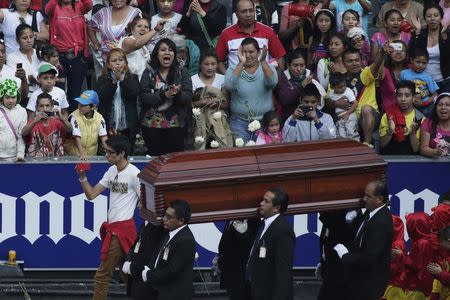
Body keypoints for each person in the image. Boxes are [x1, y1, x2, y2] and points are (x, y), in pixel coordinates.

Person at [76, 135, 140, 300]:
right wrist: (82, 177)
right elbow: (92, 194)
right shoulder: (111, 170)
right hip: (115, 229)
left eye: (110, 153)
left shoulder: (135, 174)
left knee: (102, 276)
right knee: (127, 274)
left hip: (122, 231)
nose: (106, 156)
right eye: (106, 152)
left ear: (122, 154)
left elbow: (145, 202)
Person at [333, 179, 393, 300]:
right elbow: (358, 238)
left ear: (380, 199)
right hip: (360, 279)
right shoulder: (370, 214)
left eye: (368, 196)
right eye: (364, 194)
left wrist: (346, 256)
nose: (364, 199)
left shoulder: (381, 222)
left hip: (370, 283)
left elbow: (370, 256)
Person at [139, 38, 193, 156]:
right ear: (156, 54)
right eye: (163, 50)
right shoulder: (148, 72)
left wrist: (177, 94)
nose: (167, 53)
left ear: (174, 54)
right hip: (151, 126)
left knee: (173, 162)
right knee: (154, 161)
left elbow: (188, 96)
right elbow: (144, 97)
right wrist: (164, 95)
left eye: (170, 50)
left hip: (176, 125)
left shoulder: (182, 72)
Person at [244, 188, 296, 299]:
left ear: (276, 208)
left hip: (269, 294)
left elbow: (283, 271)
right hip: (257, 291)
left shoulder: (283, 231)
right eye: (262, 200)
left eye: (266, 201)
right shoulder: (264, 224)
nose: (261, 203)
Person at [224, 38, 278, 143]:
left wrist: (263, 61)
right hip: (239, 123)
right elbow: (229, 86)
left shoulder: (268, 67)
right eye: (244, 52)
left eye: (251, 52)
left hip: (265, 123)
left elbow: (273, 83)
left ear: (258, 52)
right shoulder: (232, 69)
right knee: (242, 156)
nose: (247, 55)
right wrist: (241, 63)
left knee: (264, 155)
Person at [141, 199, 196, 300]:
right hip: (163, 291)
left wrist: (149, 275)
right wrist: (149, 268)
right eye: (165, 215)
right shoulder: (170, 233)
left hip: (176, 294)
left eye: (169, 217)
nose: (164, 219)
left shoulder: (186, 240)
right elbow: (158, 254)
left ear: (181, 221)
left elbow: (172, 271)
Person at [45, 0, 92, 111]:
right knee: (57, 92)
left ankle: (72, 122)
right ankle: (57, 122)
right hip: (59, 58)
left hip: (78, 56)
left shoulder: (80, 5)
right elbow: (47, 10)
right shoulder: (54, 6)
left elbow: (89, 5)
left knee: (75, 93)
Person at [216, 0, 286, 74]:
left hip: (264, 83)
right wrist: (228, 77)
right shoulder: (226, 34)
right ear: (237, 14)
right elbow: (218, 60)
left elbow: (280, 57)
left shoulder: (268, 32)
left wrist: (276, 79)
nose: (248, 15)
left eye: (251, 10)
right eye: (244, 12)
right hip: (236, 83)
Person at [342, 45, 387, 149]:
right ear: (343, 63)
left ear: (361, 61)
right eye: (350, 61)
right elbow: (329, 98)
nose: (354, 63)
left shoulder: (364, 73)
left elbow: (376, 66)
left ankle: (367, 144)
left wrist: (382, 54)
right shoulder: (339, 79)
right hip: (348, 118)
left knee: (366, 109)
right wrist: (336, 103)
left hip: (369, 117)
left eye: (357, 60)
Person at [96, 48, 139, 152]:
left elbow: (134, 93)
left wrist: (122, 81)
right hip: (108, 128)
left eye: (121, 60)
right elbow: (101, 97)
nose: (118, 63)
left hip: (127, 128)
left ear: (125, 62)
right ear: (109, 65)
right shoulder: (102, 79)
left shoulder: (133, 77)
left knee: (126, 156)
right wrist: (114, 82)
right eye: (114, 61)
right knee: (110, 155)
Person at [191, 49, 232, 149]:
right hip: (199, 123)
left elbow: (227, 104)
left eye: (213, 64)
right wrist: (203, 102)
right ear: (200, 64)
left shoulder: (222, 79)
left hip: (219, 122)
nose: (210, 67)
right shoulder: (193, 80)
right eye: (206, 64)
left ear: (217, 65)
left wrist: (217, 103)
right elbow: (190, 103)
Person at [275, 49, 325, 123]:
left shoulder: (310, 75)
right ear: (288, 65)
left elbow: (318, 97)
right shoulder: (284, 77)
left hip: (310, 117)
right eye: (295, 65)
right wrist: (301, 86)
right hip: (290, 117)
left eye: (302, 65)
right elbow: (285, 100)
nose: (299, 69)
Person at [317, 209, 358, 300]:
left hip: (340, 276)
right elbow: (325, 242)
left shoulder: (342, 222)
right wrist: (322, 262)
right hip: (329, 272)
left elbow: (335, 238)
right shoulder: (328, 223)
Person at [217, 218, 262, 300]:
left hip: (242, 279)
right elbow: (227, 243)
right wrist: (220, 259)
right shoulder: (231, 217)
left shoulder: (253, 220)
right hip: (231, 277)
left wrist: (244, 233)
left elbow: (254, 247)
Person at [409, 4, 450, 91]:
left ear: (441, 18)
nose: (432, 19)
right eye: (428, 16)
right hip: (422, 80)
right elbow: (412, 54)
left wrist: (444, 39)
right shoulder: (419, 33)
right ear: (425, 19)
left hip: (445, 81)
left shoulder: (447, 34)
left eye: (436, 15)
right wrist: (417, 32)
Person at [87, 0, 141, 64]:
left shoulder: (135, 13)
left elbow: (141, 36)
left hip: (129, 61)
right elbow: (89, 26)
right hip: (107, 61)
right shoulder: (103, 12)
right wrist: (96, 43)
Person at [122, 222, 164, 300]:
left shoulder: (157, 227)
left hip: (145, 281)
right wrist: (128, 260)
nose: (139, 209)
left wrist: (132, 267)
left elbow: (149, 255)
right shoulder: (144, 224)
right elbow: (135, 246)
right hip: (136, 278)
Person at [379, 80, 423, 154]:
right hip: (390, 159)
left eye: (407, 95)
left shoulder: (420, 118)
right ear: (396, 97)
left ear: (414, 98)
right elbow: (382, 145)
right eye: (399, 95)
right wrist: (390, 131)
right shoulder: (388, 115)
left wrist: (412, 134)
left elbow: (416, 149)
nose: (403, 99)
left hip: (411, 161)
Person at [22, 92, 72, 157]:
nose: (44, 108)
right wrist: (35, 121)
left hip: (56, 160)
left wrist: (62, 119)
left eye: (47, 105)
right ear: (36, 108)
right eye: (41, 106)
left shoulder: (58, 121)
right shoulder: (33, 122)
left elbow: (70, 130)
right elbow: (24, 133)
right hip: (36, 161)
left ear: (52, 107)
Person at [64, 90, 108, 159]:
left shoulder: (100, 118)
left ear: (93, 106)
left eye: (83, 105)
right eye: (79, 103)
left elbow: (103, 137)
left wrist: (108, 152)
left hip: (92, 155)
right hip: (74, 156)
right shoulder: (74, 116)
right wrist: (82, 154)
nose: (79, 107)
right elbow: (77, 137)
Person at [403, 212, 436, 299]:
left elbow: (417, 266)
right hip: (417, 286)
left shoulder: (422, 243)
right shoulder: (422, 240)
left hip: (417, 288)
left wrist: (402, 257)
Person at [399, 47, 439, 117]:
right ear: (412, 60)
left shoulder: (427, 77)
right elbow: (399, 89)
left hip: (426, 107)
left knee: (427, 121)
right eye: (418, 62)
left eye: (424, 63)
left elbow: (435, 94)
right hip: (409, 106)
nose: (420, 65)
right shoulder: (404, 74)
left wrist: (424, 103)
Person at [7, 23, 42, 97]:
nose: (29, 40)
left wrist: (27, 77)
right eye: (24, 38)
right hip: (24, 96)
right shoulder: (12, 57)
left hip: (44, 96)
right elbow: (16, 80)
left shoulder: (40, 54)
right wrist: (35, 78)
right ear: (17, 40)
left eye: (31, 37)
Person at [119, 14, 157, 80]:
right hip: (128, 87)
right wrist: (156, 29)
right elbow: (136, 44)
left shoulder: (145, 48)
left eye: (146, 27)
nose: (143, 29)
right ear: (132, 29)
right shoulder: (126, 40)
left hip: (143, 87)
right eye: (139, 26)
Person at [378, 40, 408, 114]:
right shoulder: (384, 70)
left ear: (406, 53)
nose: (398, 52)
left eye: (401, 50)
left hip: (408, 113)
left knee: (423, 118)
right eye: (395, 50)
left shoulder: (411, 69)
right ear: (389, 52)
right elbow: (379, 75)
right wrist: (382, 54)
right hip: (388, 113)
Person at [0, 79, 27, 161]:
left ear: (17, 96)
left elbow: (21, 135)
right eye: (7, 97)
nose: (11, 100)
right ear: (1, 97)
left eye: (13, 97)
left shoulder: (22, 111)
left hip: (14, 157)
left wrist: (20, 154)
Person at [327, 72, 359, 140]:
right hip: (340, 118)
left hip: (349, 115)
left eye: (344, 85)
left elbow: (355, 103)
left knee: (351, 133)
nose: (343, 88)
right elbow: (328, 102)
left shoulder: (348, 91)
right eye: (339, 87)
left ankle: (356, 147)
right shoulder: (331, 94)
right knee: (341, 136)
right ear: (332, 87)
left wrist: (348, 113)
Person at [382, 215, 407, 300]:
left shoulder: (396, 244)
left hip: (394, 284)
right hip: (393, 283)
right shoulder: (397, 241)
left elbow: (393, 267)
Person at [420, 92, 450, 157]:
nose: (443, 107)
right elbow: (423, 148)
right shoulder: (428, 123)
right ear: (435, 108)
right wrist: (435, 152)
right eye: (440, 105)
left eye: (447, 105)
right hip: (433, 165)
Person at [427, 226, 450, 300]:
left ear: (448, 241)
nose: (439, 244)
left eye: (440, 241)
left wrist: (440, 273)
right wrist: (436, 274)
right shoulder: (446, 254)